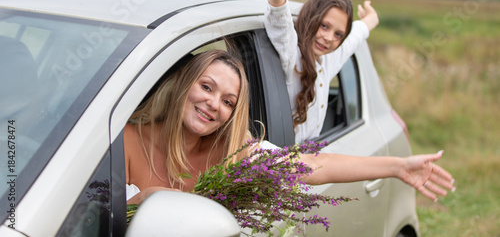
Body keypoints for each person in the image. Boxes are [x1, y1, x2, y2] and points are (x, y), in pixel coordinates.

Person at [125, 49, 455, 205]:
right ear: (184, 85)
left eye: (228, 101)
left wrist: (397, 167)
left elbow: (312, 165)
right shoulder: (125, 141)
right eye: (207, 87)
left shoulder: (231, 154)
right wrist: (144, 201)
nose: (214, 104)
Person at [241, 0, 380, 143]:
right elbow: (280, 23)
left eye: (338, 34)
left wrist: (371, 19)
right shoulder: (292, 56)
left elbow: (356, 35)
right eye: (324, 25)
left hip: (308, 166)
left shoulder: (328, 59)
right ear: (310, 18)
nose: (328, 38)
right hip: (282, 166)